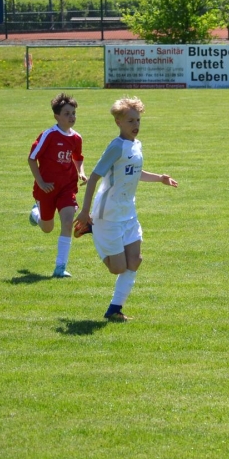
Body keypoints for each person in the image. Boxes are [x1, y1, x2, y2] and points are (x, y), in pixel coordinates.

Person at [74, 97, 178, 322]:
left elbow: (135, 172)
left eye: (138, 120)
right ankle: (92, 228)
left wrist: (160, 178)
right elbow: (94, 178)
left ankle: (114, 310)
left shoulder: (136, 145)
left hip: (128, 212)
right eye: (130, 121)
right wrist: (84, 211)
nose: (136, 124)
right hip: (108, 214)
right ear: (118, 122)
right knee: (118, 268)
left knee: (135, 261)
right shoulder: (116, 146)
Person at [29, 94, 86, 278]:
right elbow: (32, 158)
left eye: (73, 113)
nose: (72, 117)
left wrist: (81, 172)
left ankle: (60, 267)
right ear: (57, 116)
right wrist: (41, 182)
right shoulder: (49, 135)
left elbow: (77, 157)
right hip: (47, 188)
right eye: (67, 113)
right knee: (47, 228)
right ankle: (35, 214)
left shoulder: (76, 137)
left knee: (68, 223)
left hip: (67, 187)